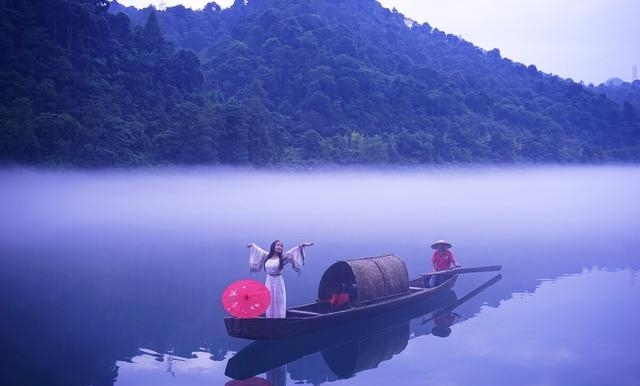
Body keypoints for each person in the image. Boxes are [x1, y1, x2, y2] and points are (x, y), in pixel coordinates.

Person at [247, 240, 313, 318]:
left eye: (281, 246)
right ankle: (270, 318)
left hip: (278, 281)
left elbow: (293, 251)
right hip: (269, 281)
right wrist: (252, 245)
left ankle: (279, 318)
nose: (279, 247)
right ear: (273, 246)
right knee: (269, 299)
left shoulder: (282, 257)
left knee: (278, 300)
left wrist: (302, 246)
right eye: (278, 245)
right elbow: (259, 251)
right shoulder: (267, 256)